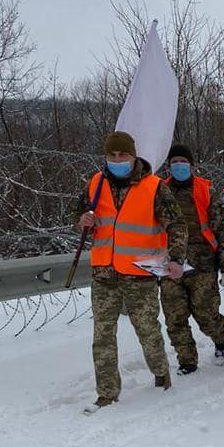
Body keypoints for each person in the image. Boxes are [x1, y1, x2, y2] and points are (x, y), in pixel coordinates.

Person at [72, 131, 188, 414]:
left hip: (139, 273)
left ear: (134, 156)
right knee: (102, 336)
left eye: (122, 155)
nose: (117, 160)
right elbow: (79, 216)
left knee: (147, 330)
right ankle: (107, 393)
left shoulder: (154, 187)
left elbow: (176, 225)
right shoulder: (96, 184)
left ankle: (161, 373)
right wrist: (82, 220)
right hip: (104, 272)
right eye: (111, 155)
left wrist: (176, 259)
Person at [158, 144, 224, 374]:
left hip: (202, 264)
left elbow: (223, 230)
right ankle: (187, 361)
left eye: (183, 161)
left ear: (191, 165)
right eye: (174, 162)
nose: (179, 165)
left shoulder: (205, 190)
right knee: (175, 317)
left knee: (206, 314)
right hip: (170, 264)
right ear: (169, 166)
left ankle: (221, 339)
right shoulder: (159, 191)